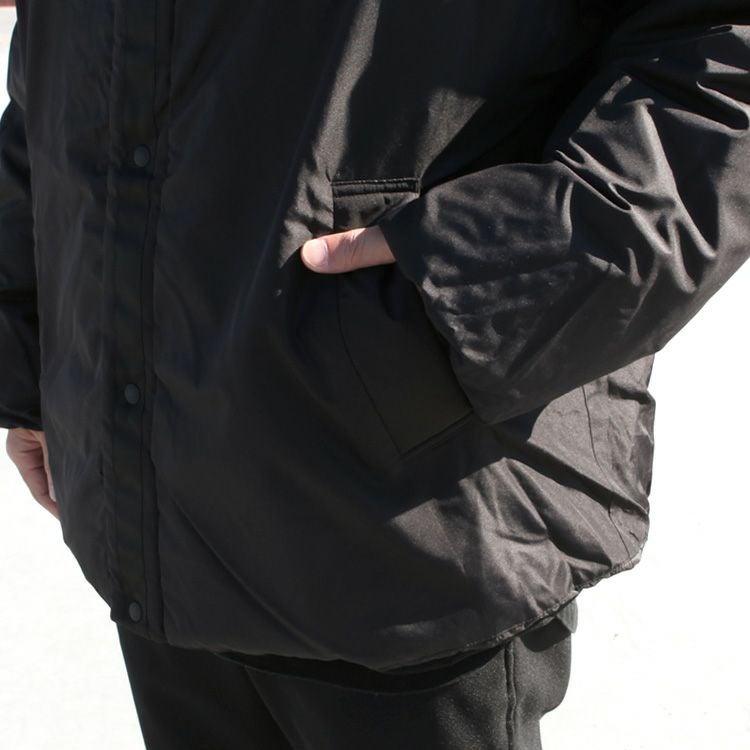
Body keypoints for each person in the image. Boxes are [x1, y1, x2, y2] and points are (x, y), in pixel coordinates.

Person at [1, 1, 748, 747]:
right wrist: (34, 337)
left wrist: (491, 270)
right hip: (149, 478)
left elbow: (724, 51)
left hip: (403, 510)